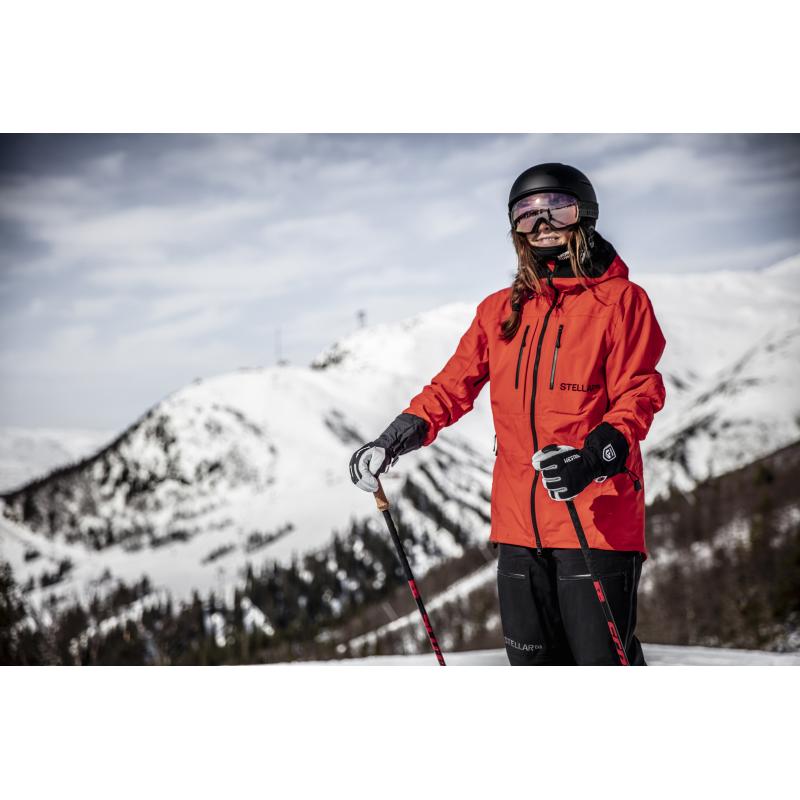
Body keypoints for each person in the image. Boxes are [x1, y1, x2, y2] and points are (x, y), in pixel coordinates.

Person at [349, 162, 667, 665]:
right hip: (518, 528)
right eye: (526, 213)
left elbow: (639, 394)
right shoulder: (499, 311)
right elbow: (451, 387)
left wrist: (593, 458)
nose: (541, 223)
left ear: (584, 215)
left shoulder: (621, 303)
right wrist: (391, 440)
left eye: (556, 208)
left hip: (596, 522)